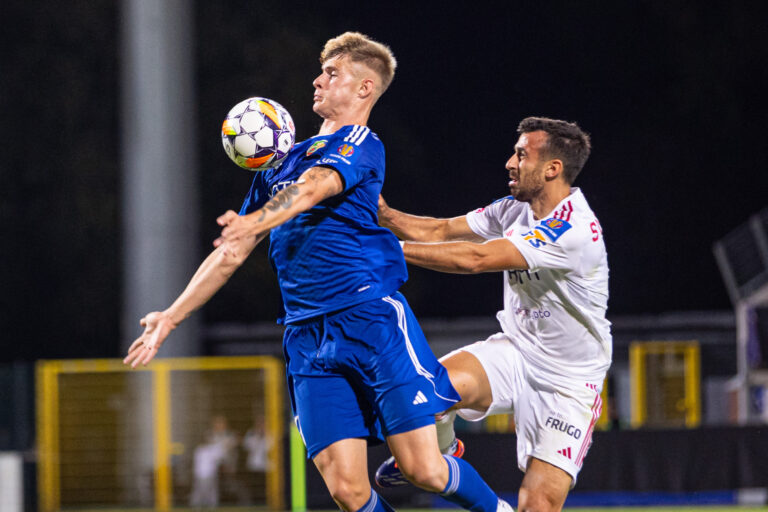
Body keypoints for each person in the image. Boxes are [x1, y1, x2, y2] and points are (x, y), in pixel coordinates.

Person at [124, 32, 510, 512]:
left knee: (423, 470)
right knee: (347, 491)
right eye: (321, 72)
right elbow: (231, 252)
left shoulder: (362, 143)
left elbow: (315, 187)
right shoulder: (279, 163)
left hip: (369, 319)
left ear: (365, 88)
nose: (317, 80)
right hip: (307, 336)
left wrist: (258, 218)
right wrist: (172, 315)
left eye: (332, 73)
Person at [375, 117, 611, 512]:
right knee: (426, 394)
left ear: (552, 169)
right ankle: (446, 448)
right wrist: (384, 215)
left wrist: (386, 250)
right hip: (516, 352)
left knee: (536, 505)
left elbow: (476, 258)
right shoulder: (513, 209)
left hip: (569, 382)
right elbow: (442, 231)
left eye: (522, 154)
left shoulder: (573, 228)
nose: (509, 162)